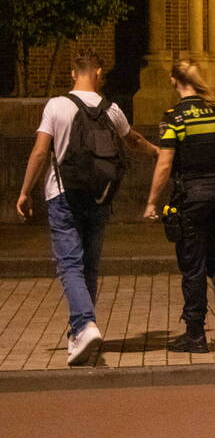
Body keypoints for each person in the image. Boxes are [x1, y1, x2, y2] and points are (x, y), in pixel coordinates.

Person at [16, 49, 159, 365]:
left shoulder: (57, 106)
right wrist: (156, 151)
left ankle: (84, 325)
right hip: (98, 195)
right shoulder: (111, 109)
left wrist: (25, 192)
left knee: (69, 265)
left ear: (72, 73)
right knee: (89, 266)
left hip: (62, 194)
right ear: (99, 73)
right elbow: (133, 140)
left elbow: (40, 152)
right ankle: (78, 333)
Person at [143, 60, 215, 353]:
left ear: (173, 81)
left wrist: (151, 202)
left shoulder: (175, 118)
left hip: (192, 197)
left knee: (193, 266)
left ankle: (195, 334)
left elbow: (165, 164)